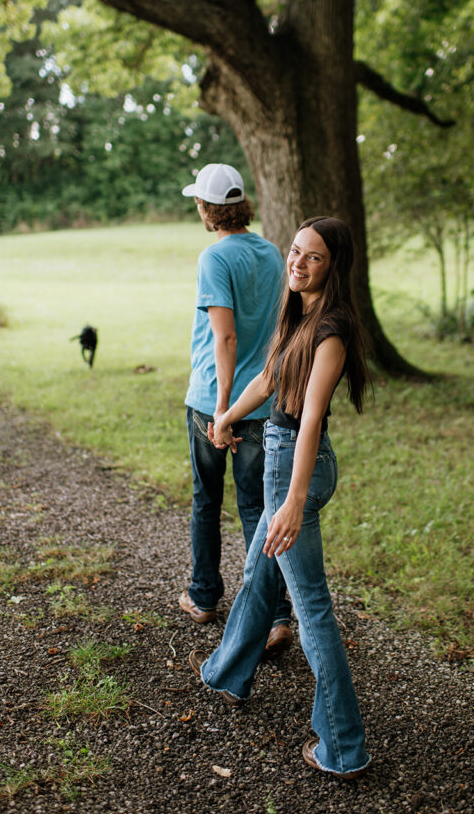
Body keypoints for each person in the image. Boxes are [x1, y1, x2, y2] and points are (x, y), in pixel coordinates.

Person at [189, 216, 371, 781]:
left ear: (332, 267)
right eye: (295, 252)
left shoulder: (332, 329)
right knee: (258, 572)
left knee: (311, 605)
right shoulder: (299, 314)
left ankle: (344, 746)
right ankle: (228, 669)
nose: (298, 263)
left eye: (313, 258)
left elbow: (311, 415)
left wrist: (292, 501)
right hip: (282, 453)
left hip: (296, 464)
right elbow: (267, 381)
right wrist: (225, 416)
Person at [179, 162, 292, 654]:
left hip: (214, 401)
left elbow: (223, 336)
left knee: (207, 501)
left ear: (209, 208)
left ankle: (204, 597)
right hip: (264, 402)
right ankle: (275, 617)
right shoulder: (270, 253)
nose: (198, 211)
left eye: (199, 204)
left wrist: (221, 412)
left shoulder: (214, 258)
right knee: (258, 509)